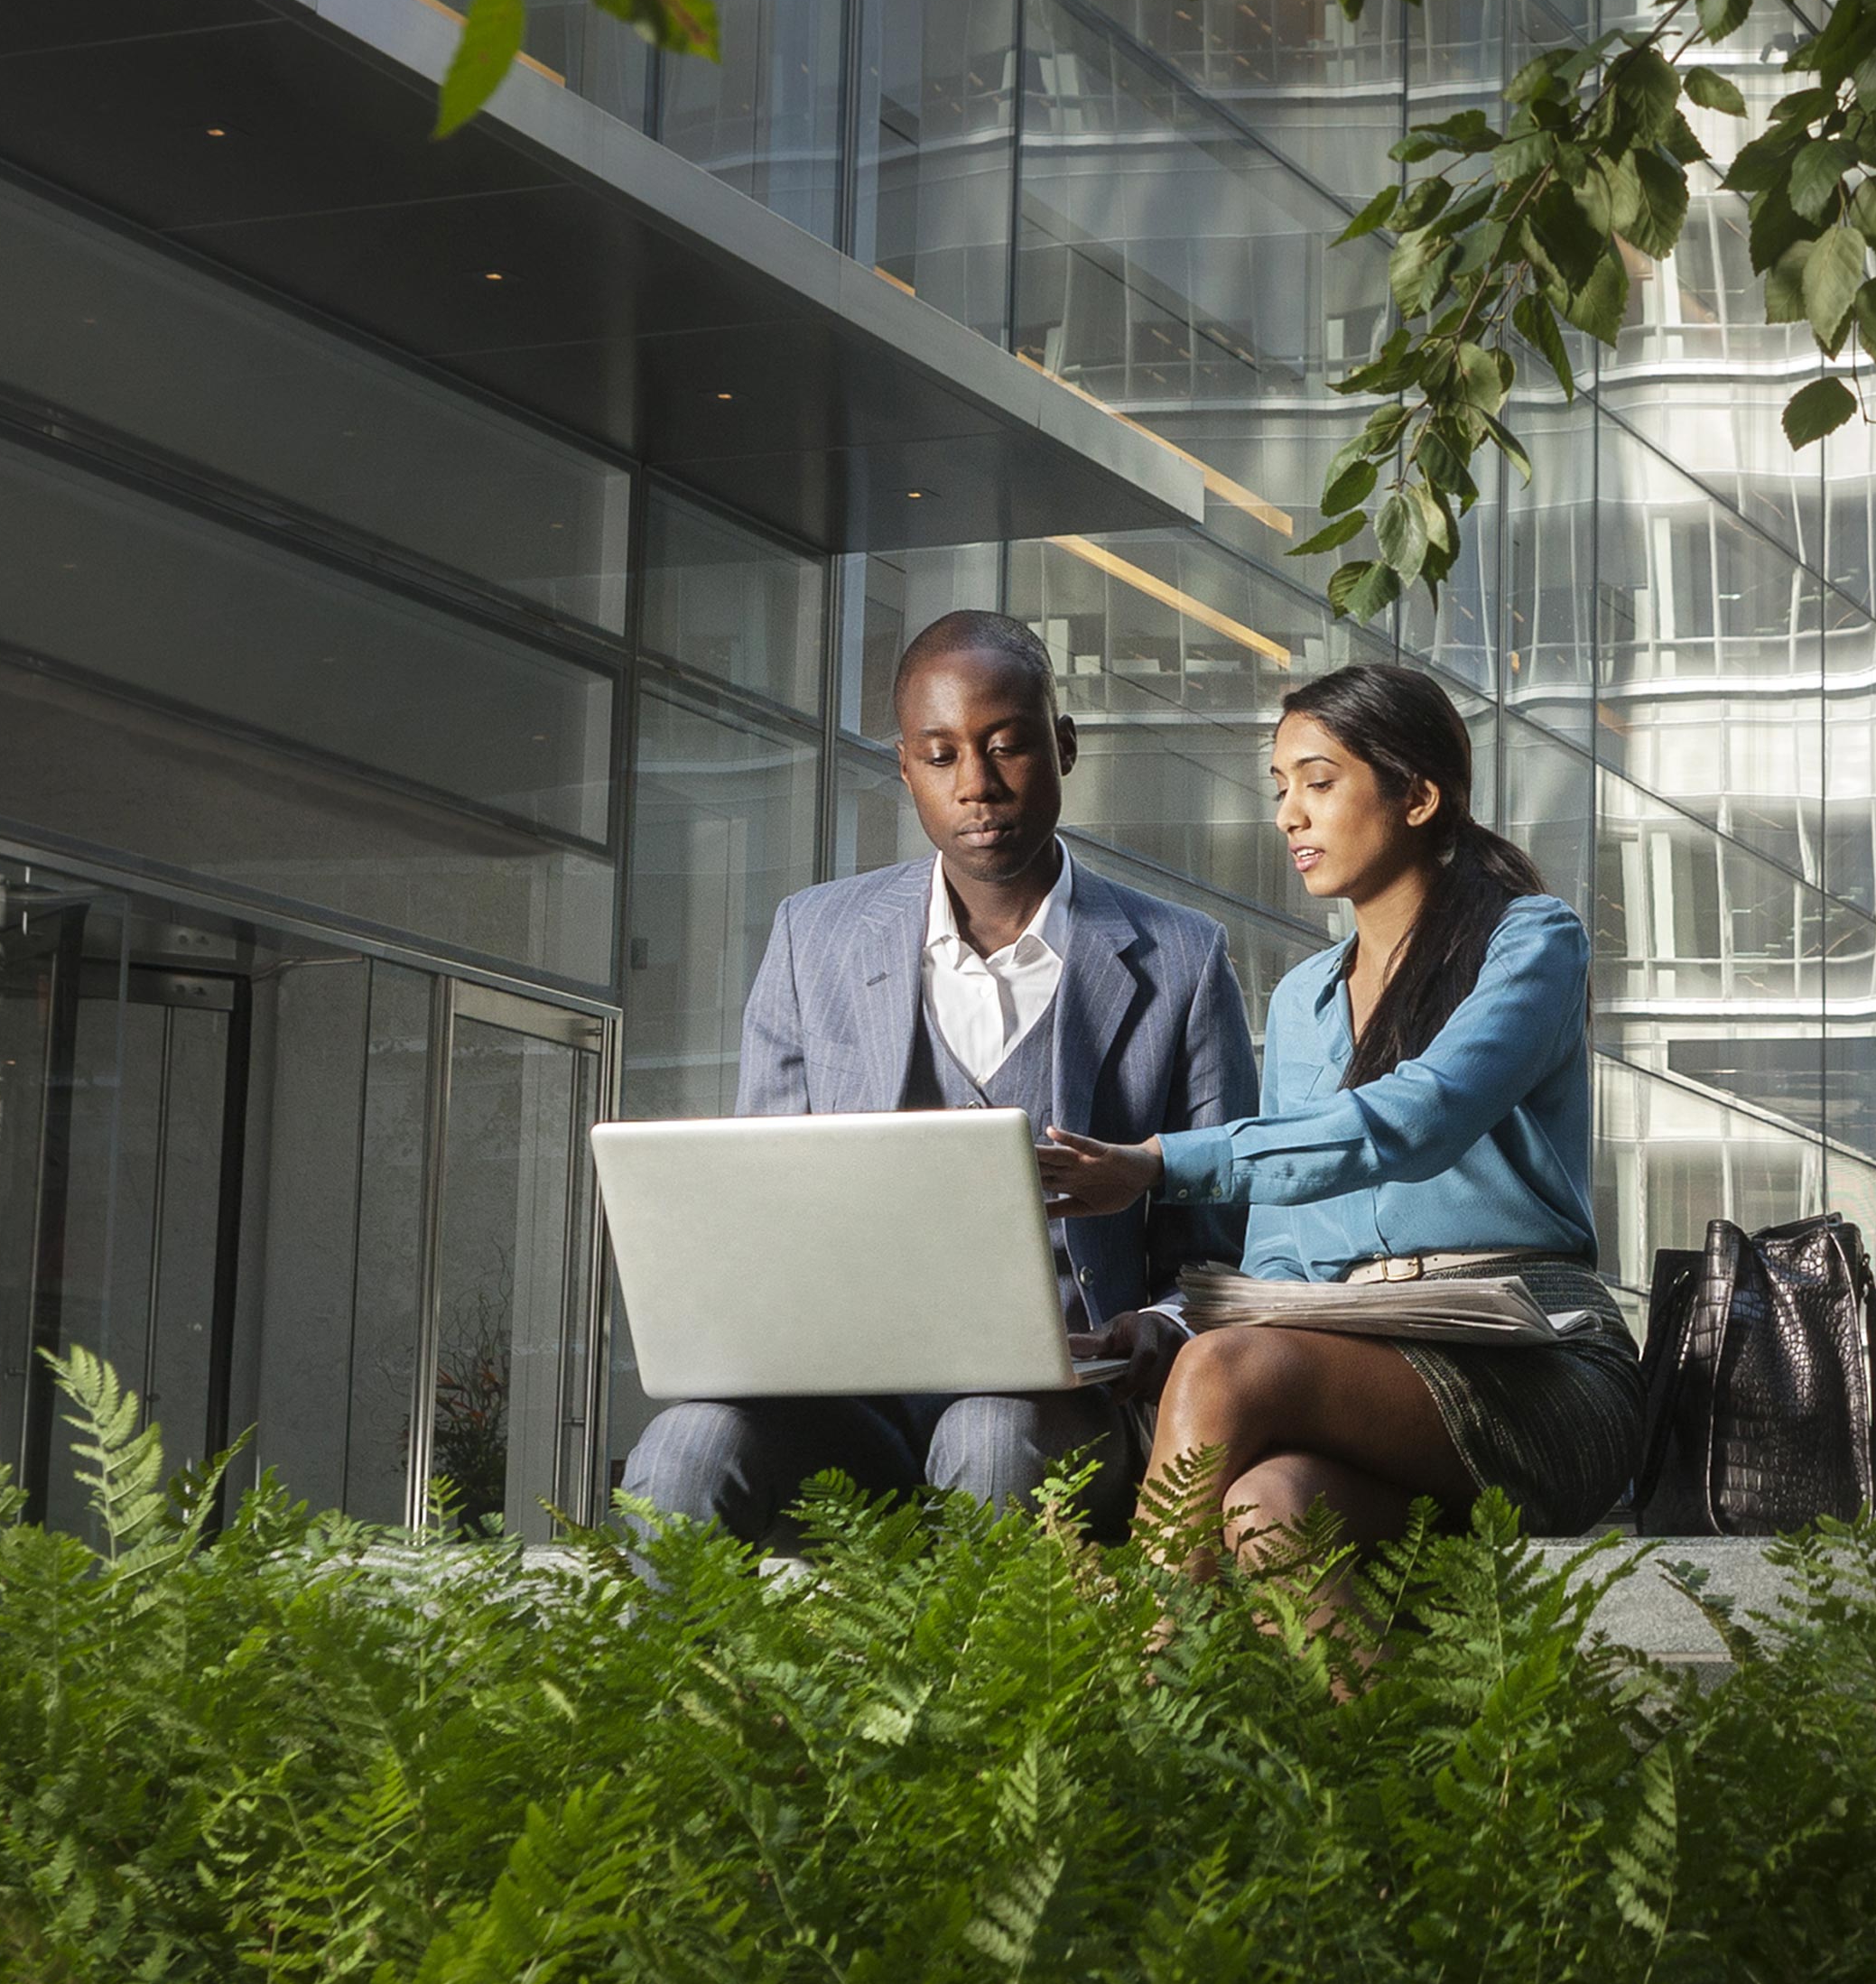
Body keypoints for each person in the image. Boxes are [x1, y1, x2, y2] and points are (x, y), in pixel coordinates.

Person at [619, 611, 1258, 1545]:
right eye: (943, 755)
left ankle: (982, 1698)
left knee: (991, 1432)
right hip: (855, 1410)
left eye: (1006, 747)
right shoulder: (814, 942)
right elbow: (765, 1212)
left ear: (1064, 746)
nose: (979, 787)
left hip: (1062, 1409)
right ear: (904, 768)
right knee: (684, 1447)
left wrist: (1158, 1325)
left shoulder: (1183, 959)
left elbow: (1226, 1250)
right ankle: (670, 1698)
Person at [1033, 663, 1639, 1562]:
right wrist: (1165, 1326)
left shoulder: (1531, 940)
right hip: (1368, 1366)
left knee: (1224, 1370)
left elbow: (1419, 1117)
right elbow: (1278, 1255)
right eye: (1281, 790)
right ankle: (1351, 1709)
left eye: (1319, 782)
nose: (1289, 815)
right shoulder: (1302, 1000)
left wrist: (1160, 1161)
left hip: (1536, 1366)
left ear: (1420, 795)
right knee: (1270, 1509)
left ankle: (1139, 1674)